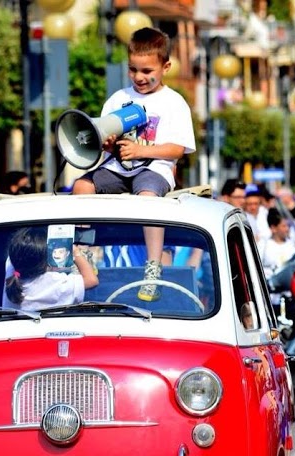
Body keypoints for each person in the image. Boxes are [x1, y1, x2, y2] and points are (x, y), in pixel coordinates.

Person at [71, 27, 195, 302]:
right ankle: (85, 253)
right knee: (81, 185)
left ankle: (153, 267)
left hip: (154, 168)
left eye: (147, 71)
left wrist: (140, 149)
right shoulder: (118, 99)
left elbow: (177, 149)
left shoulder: (174, 103)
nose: (139, 77)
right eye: (133, 70)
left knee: (148, 198)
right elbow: (105, 136)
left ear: (166, 67)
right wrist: (106, 144)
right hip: (117, 167)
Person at [3, 227, 99, 311]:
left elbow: (16, 256)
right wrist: (74, 251)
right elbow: (92, 280)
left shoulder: (11, 278)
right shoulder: (55, 282)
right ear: (46, 259)